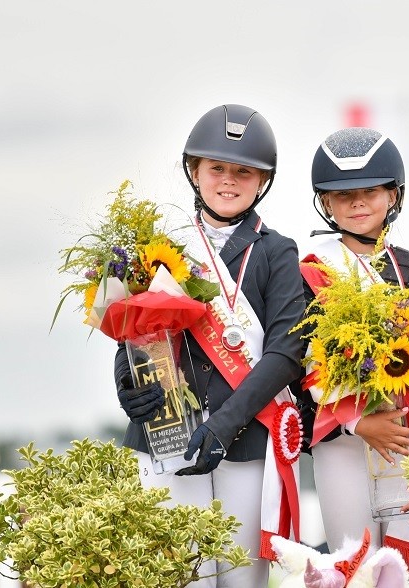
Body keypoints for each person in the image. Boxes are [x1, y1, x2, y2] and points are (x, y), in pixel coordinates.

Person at [113, 104, 306, 587]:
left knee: (240, 580)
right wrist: (126, 380)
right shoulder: (162, 245)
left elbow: (285, 352)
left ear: (262, 180)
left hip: (244, 438)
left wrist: (223, 425)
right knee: (180, 578)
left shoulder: (277, 251)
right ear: (194, 171)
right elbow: (133, 330)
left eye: (243, 171)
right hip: (168, 433)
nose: (228, 180)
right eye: (216, 167)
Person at [293, 127, 409, 587]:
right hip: (342, 444)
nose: (357, 203)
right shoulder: (307, 272)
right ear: (325, 203)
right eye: (342, 195)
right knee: (354, 570)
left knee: (406, 576)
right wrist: (356, 422)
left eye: (369, 191)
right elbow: (294, 367)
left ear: (393, 195)